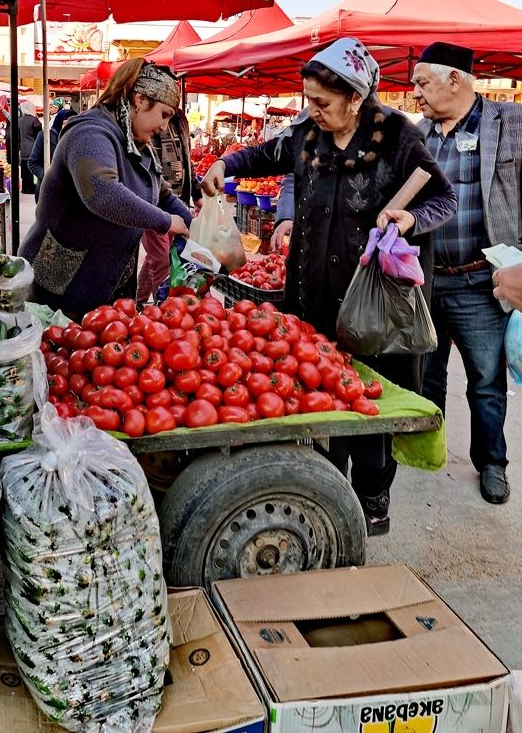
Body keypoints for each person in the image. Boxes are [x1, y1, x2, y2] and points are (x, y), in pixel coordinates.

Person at [202, 38, 457, 535]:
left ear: (356, 98)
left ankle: (373, 498)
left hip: (373, 303)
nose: (312, 110)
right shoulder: (307, 135)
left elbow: (442, 198)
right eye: (308, 100)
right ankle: (327, 493)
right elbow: (264, 155)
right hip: (313, 295)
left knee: (371, 405)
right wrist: (225, 164)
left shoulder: (398, 137)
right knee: (321, 397)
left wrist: (410, 219)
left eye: (321, 101)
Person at [412, 42, 522, 505]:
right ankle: (428, 446)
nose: (415, 92)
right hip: (427, 278)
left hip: (482, 281)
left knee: (485, 380)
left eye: (422, 82)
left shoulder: (511, 122)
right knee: (427, 373)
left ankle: (492, 462)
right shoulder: (419, 134)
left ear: (454, 79)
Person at [21, 58, 192, 317]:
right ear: (139, 100)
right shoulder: (89, 133)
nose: (164, 127)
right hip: (64, 283)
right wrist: (165, 222)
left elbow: (163, 195)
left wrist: (197, 228)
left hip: (107, 286)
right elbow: (102, 193)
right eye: (164, 114)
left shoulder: (136, 145)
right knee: (59, 339)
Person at [137, 107, 202, 303]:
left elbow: (188, 160)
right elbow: (145, 165)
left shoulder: (180, 120)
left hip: (177, 203)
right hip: (153, 204)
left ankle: (139, 300)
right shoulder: (149, 119)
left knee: (158, 257)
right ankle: (165, 306)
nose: (164, 123)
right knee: (161, 260)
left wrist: (197, 194)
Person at [27, 108, 78, 201]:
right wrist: (47, 175)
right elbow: (32, 163)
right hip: (48, 191)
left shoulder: (78, 140)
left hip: (70, 194)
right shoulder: (44, 137)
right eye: (65, 123)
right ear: (59, 123)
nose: (68, 126)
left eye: (72, 123)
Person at [6, 101, 41, 195]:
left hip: (23, 148)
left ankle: (25, 188)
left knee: (24, 169)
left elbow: (16, 137)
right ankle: (31, 187)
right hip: (33, 147)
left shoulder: (19, 120)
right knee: (32, 168)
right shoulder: (34, 120)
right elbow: (39, 135)